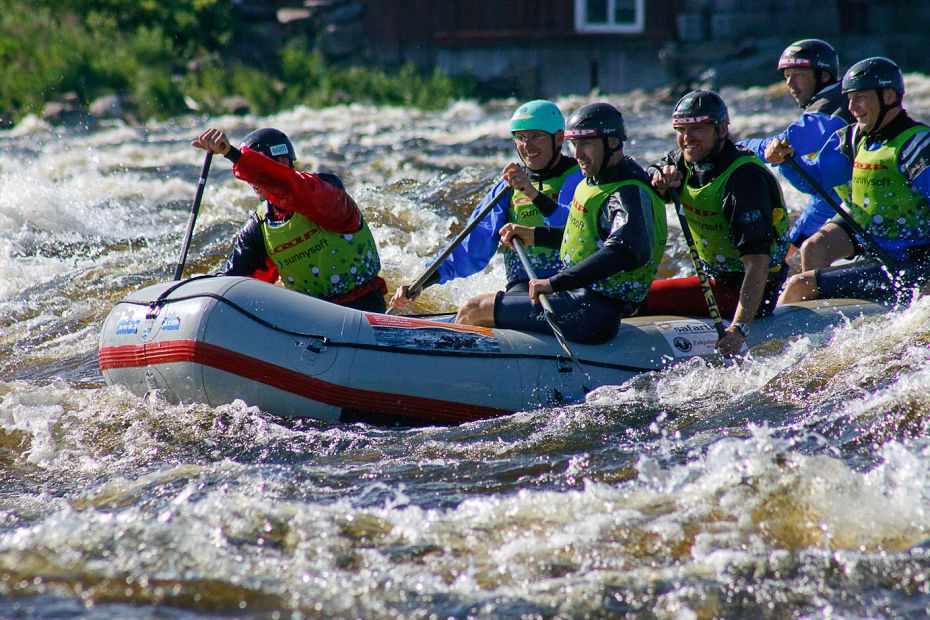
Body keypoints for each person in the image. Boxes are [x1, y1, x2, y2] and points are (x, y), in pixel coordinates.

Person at [456, 102, 668, 344]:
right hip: (581, 299)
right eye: (575, 145)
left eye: (586, 144)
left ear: (612, 142)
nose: (578, 154)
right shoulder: (600, 181)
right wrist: (535, 236)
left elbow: (626, 250)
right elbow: (588, 239)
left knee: (474, 309)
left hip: (591, 312)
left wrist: (553, 283)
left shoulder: (626, 191)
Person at [389, 100, 581, 310]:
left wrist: (532, 193)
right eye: (520, 137)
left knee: (473, 309)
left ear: (559, 138)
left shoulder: (580, 178)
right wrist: (421, 282)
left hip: (569, 285)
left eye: (536, 136)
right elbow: (470, 247)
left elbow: (574, 232)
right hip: (523, 289)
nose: (527, 146)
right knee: (472, 310)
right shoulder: (507, 188)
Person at [643, 90, 790, 355]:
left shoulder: (744, 181)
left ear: (721, 129)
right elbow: (653, 169)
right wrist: (658, 176)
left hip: (750, 293)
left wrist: (739, 328)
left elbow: (757, 264)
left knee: (642, 298)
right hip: (716, 282)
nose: (687, 138)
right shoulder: (685, 161)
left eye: (697, 129)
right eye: (681, 129)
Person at [778, 57, 930, 305]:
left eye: (859, 98)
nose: (851, 107)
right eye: (849, 99)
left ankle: (808, 306)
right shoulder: (853, 137)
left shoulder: (917, 146)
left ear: (889, 96)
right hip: (869, 234)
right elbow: (815, 181)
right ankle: (825, 311)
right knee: (813, 247)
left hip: (911, 260)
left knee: (799, 284)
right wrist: (786, 160)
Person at [193, 127, 387, 312]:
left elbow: (292, 188)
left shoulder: (325, 192)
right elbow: (233, 283)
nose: (250, 179)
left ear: (283, 162)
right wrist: (193, 291)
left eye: (256, 168)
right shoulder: (260, 225)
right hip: (314, 318)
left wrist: (233, 154)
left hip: (364, 307)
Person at [739, 39, 854, 250]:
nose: (790, 84)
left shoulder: (830, 110)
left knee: (803, 253)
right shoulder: (832, 100)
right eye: (787, 76)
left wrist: (732, 148)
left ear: (824, 75)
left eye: (798, 75)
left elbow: (780, 145)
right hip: (840, 201)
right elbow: (823, 186)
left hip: (869, 211)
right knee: (792, 252)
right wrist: (796, 240)